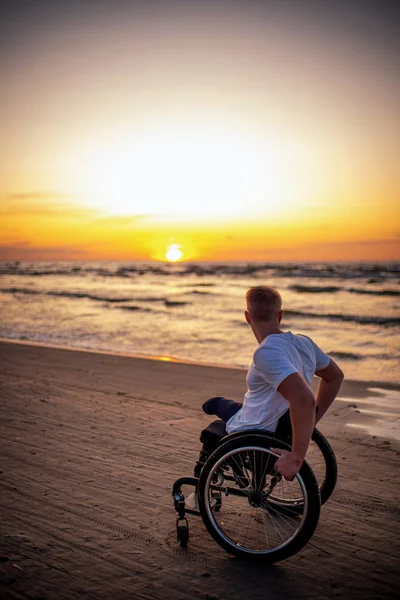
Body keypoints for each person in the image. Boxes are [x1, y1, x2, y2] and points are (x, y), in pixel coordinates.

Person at [202, 285, 344, 481]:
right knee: (215, 404)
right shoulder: (304, 343)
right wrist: (310, 422)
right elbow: (335, 376)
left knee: (212, 419)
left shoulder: (266, 352)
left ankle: (200, 491)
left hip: (255, 429)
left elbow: (303, 398)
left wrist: (296, 458)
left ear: (247, 316)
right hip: (268, 417)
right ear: (280, 315)